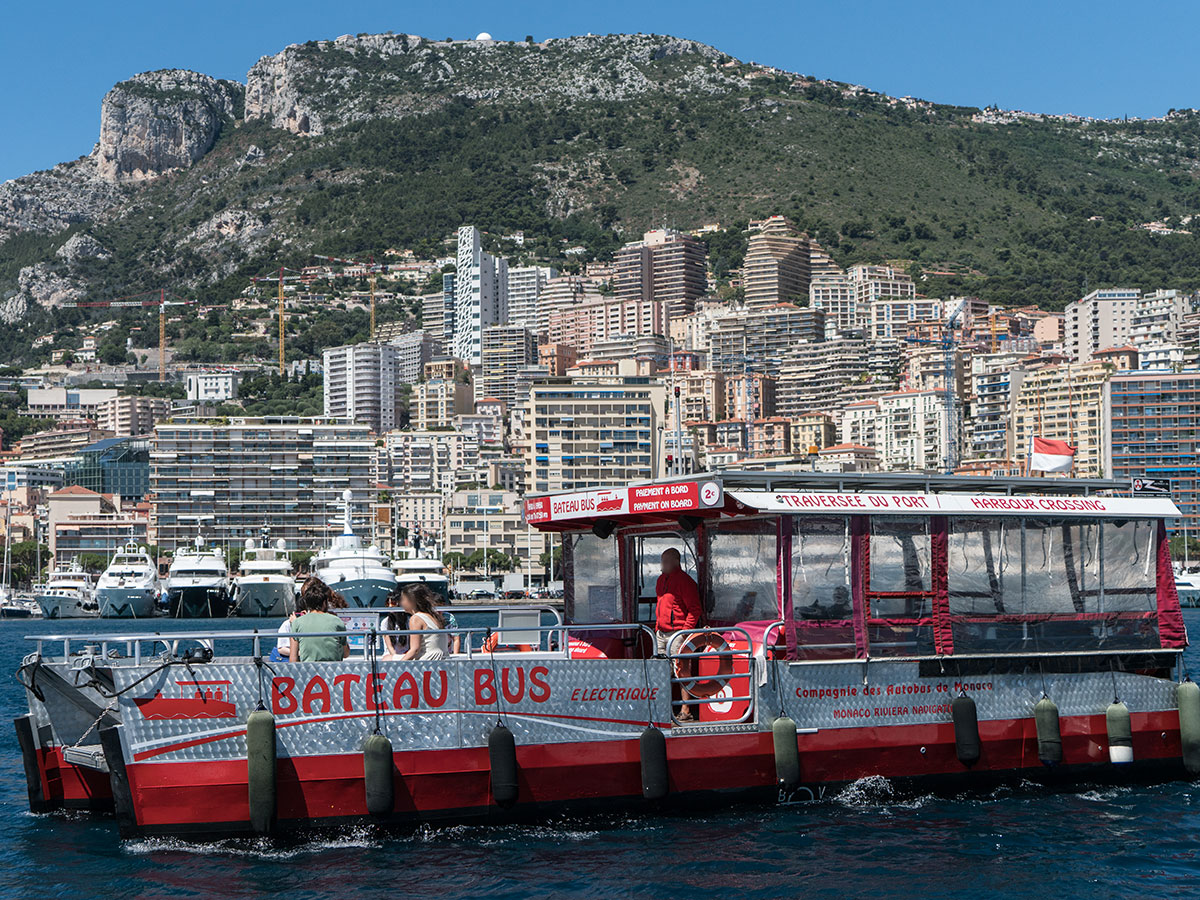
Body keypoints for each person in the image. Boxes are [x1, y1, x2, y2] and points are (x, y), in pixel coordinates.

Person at [655, 548, 703, 722]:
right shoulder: (661, 580)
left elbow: (695, 609)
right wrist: (656, 627)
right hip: (661, 633)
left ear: (676, 561)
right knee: (659, 671)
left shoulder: (685, 581)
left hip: (677, 633)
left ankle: (686, 709)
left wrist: (684, 632)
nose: (662, 565)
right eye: (662, 561)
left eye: (666, 561)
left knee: (682, 670)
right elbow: (660, 606)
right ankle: (660, 707)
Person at [289, 577, 350, 662]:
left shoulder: (297, 623)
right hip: (333, 671)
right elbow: (346, 653)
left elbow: (293, 659)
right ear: (325, 602)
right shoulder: (336, 621)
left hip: (308, 670)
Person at [386, 583, 448, 661]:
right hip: (441, 658)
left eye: (403, 599)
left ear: (411, 601)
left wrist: (400, 664)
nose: (401, 603)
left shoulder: (416, 619)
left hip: (428, 659)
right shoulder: (434, 616)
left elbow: (415, 650)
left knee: (387, 658)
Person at [382, 588, 409, 657]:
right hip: (390, 654)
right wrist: (396, 657)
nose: (390, 606)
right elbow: (389, 646)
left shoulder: (408, 621)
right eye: (388, 603)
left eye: (393, 603)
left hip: (405, 653)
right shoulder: (385, 622)